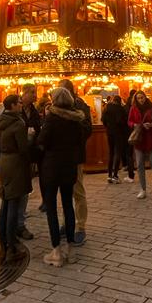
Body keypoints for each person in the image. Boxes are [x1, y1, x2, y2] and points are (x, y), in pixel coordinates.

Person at [39, 87, 83, 267]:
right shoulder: (76, 120)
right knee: (68, 205)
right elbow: (80, 141)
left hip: (52, 167)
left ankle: (56, 251)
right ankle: (71, 248)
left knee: (51, 208)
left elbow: (42, 141)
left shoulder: (52, 119)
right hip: (69, 166)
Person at [0, 94, 31, 263]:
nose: (21, 106)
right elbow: (24, 149)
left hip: (4, 163)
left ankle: (3, 245)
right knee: (14, 204)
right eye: (19, 103)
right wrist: (31, 137)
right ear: (12, 105)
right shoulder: (18, 123)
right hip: (16, 164)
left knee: (5, 203)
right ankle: (12, 247)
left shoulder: (0, 121)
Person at [57, 79, 92, 245]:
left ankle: (80, 226)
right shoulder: (57, 108)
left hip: (75, 154)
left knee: (77, 190)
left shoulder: (79, 105)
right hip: (62, 155)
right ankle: (67, 222)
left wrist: (73, 136)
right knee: (65, 191)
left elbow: (87, 128)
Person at [16, 84, 40, 240]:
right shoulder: (15, 111)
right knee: (15, 192)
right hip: (16, 156)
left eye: (35, 93)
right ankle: (14, 223)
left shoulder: (35, 112)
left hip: (29, 155)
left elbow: (37, 129)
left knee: (25, 189)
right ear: (23, 94)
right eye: (32, 92)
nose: (34, 95)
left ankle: (20, 222)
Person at [128, 91, 152, 198]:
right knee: (140, 164)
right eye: (138, 98)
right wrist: (136, 124)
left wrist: (151, 125)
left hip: (150, 138)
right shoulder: (133, 108)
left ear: (145, 97)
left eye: (142, 97)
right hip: (139, 139)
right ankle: (143, 189)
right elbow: (130, 121)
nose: (141, 100)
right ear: (135, 99)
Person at [102, 95, 127, 184]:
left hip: (109, 132)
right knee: (117, 153)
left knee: (111, 153)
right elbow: (122, 122)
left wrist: (108, 127)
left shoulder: (107, 108)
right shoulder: (121, 109)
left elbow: (103, 120)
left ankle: (109, 175)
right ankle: (115, 175)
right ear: (120, 101)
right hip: (119, 133)